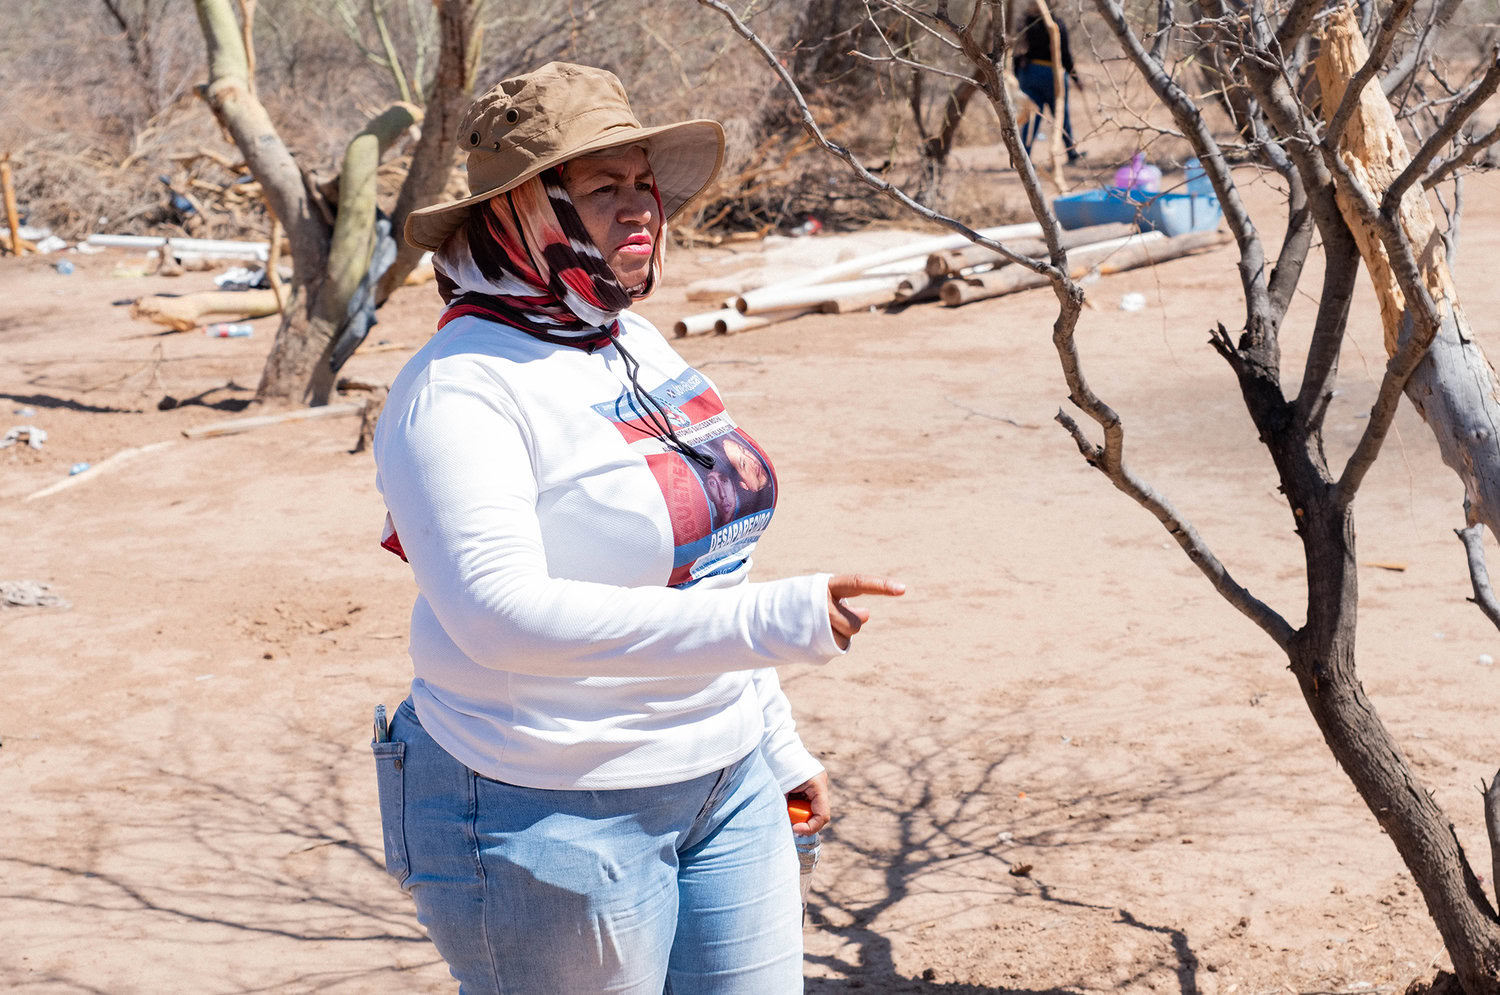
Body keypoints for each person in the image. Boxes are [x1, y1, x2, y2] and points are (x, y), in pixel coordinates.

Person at [368, 61, 905, 994]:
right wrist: (770, 624)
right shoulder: (459, 389)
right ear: (521, 214)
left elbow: (712, 573)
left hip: (726, 779)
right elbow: (497, 616)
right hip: (548, 810)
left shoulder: (630, 341)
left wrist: (772, 740)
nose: (640, 207)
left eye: (643, 182)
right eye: (600, 187)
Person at [1014, 1, 1085, 163]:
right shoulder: (1056, 25)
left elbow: (1016, 53)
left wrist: (1018, 75)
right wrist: (1076, 79)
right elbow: (1066, 56)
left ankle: (1023, 157)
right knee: (1060, 114)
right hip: (1052, 75)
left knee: (1030, 115)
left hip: (1029, 74)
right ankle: (1071, 153)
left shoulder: (1024, 24)